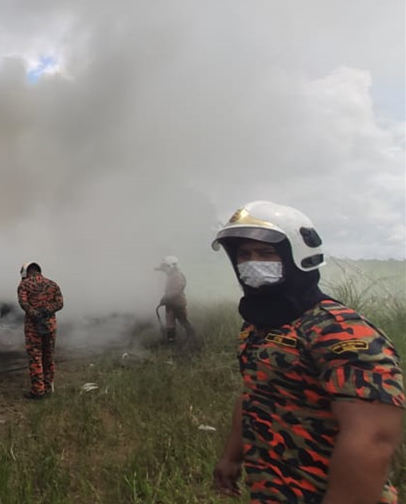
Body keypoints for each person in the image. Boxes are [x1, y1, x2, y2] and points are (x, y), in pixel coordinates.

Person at [210, 201, 404, 503]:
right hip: (272, 489)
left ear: (299, 257)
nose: (251, 263)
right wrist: (232, 456)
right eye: (244, 255)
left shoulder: (341, 332)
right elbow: (253, 392)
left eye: (266, 253)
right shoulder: (257, 327)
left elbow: (371, 441)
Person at [17, 261, 64, 399]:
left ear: (25, 272)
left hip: (33, 327)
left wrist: (35, 313)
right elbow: (60, 304)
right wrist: (46, 311)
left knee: (35, 357)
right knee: (48, 356)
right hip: (50, 325)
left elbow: (23, 303)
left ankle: (38, 391)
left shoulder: (24, 285)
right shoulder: (52, 284)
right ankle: (49, 388)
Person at [155, 255, 195, 344]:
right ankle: (171, 340)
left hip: (178, 304)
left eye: (165, 267)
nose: (164, 270)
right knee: (170, 323)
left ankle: (192, 336)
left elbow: (176, 291)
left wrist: (166, 298)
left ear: (170, 266)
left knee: (183, 320)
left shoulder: (177, 276)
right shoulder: (172, 275)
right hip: (170, 304)